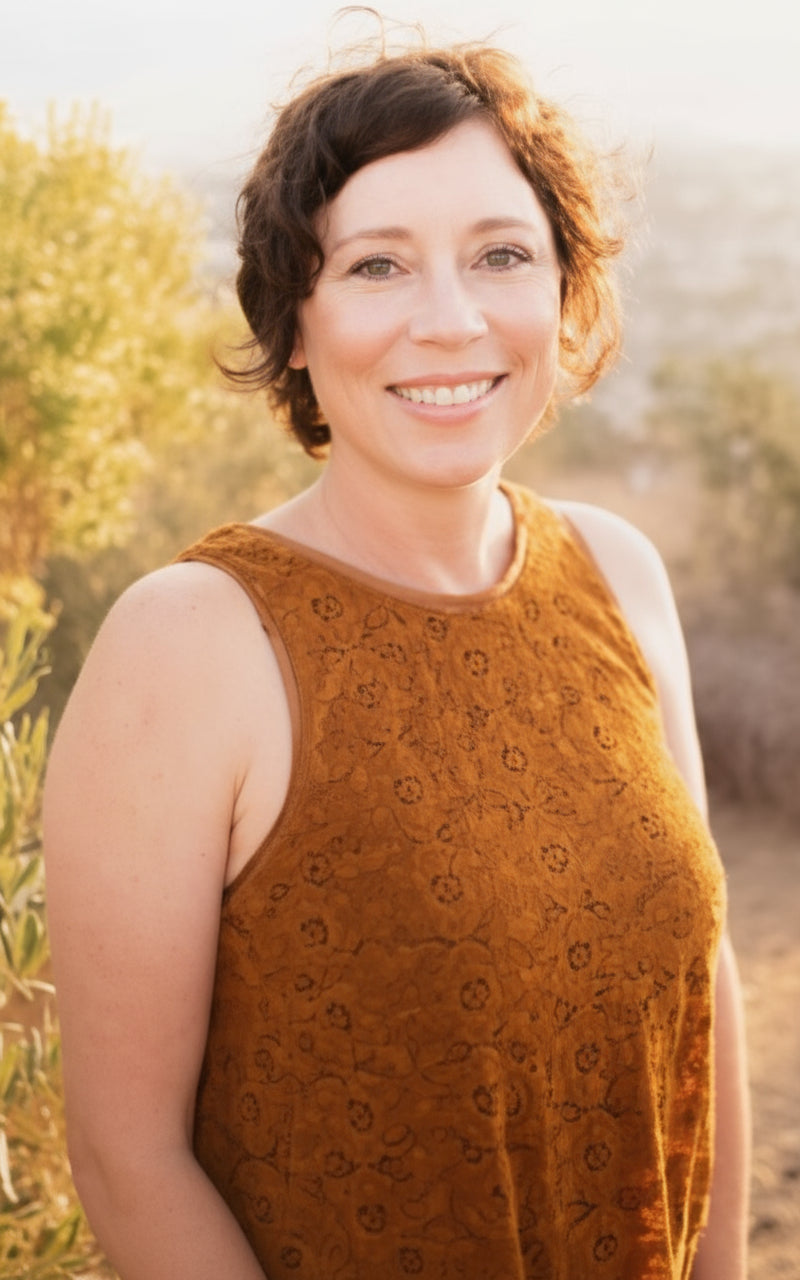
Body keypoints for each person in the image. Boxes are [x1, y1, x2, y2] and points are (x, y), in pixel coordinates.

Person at [43, 36, 750, 1280]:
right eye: (376, 265)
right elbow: (124, 1155)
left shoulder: (618, 572)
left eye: (499, 255)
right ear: (296, 325)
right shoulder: (191, 639)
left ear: (562, 293)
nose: (449, 318)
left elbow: (704, 988)